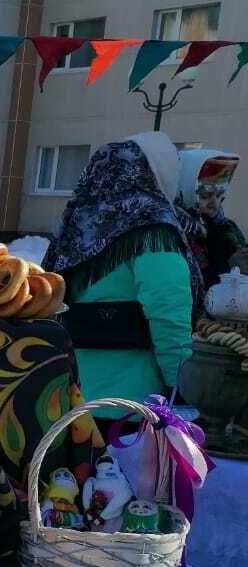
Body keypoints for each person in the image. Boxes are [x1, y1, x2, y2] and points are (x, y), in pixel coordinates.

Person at [44, 131, 201, 422]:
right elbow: (169, 316)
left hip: (64, 397)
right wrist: (184, 389)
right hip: (129, 407)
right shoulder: (152, 231)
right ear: (158, 172)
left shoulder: (77, 222)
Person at [176, 148, 245, 287]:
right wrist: (229, 266)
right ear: (186, 189)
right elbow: (190, 284)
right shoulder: (177, 231)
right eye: (205, 196)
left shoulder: (228, 227)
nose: (214, 203)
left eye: (219, 194)